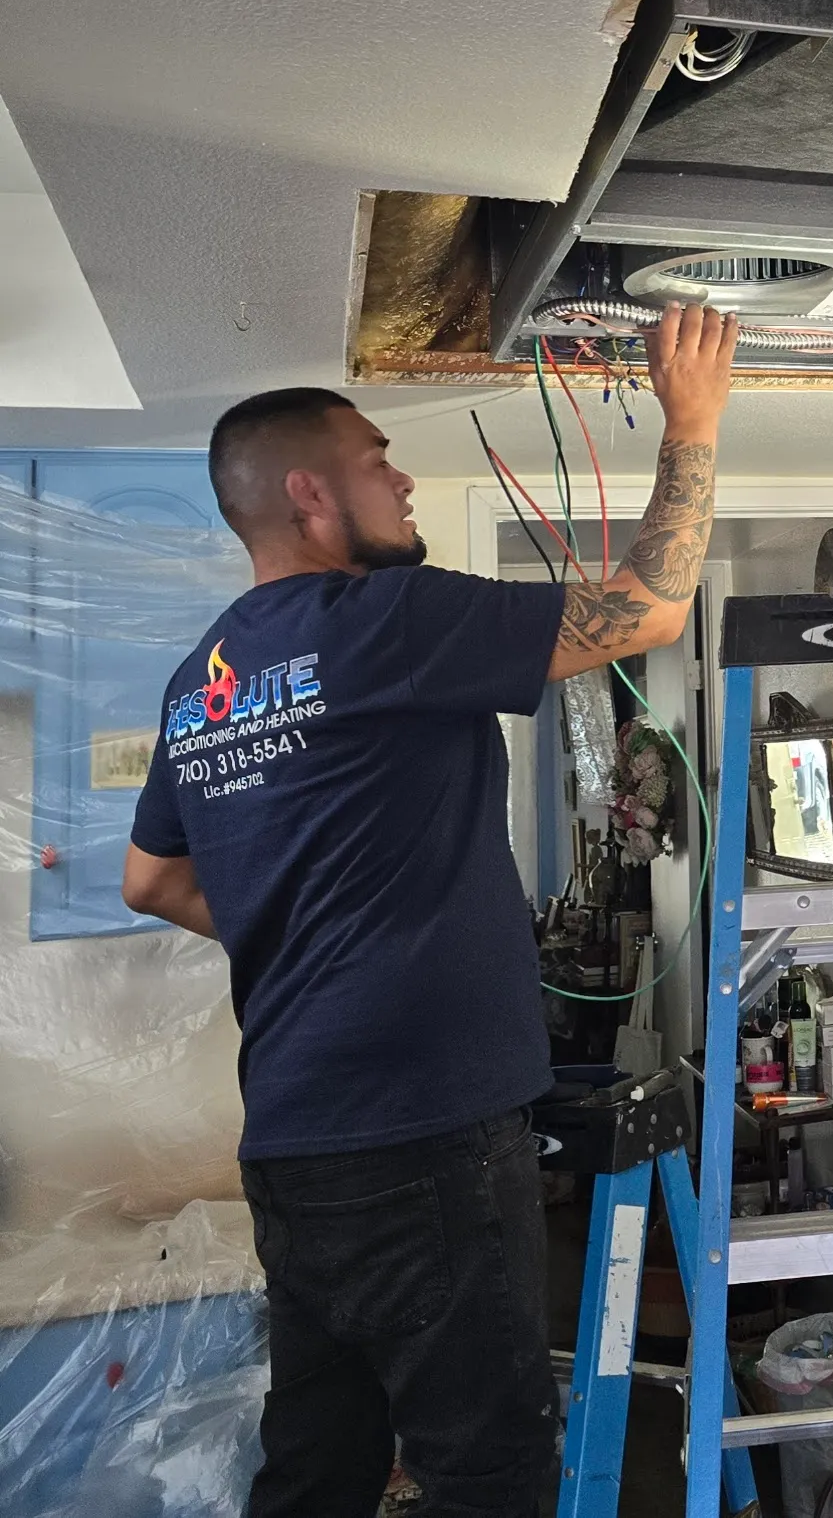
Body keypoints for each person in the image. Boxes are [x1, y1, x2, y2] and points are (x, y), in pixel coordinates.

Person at [121, 305, 739, 1518]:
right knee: (489, 1469)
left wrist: (307, 934)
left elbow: (151, 879)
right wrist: (694, 423)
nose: (401, 479)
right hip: (422, 1134)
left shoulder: (204, 684)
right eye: (374, 461)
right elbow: (652, 610)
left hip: (296, 1148)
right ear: (308, 497)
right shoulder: (379, 622)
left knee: (318, 1468)